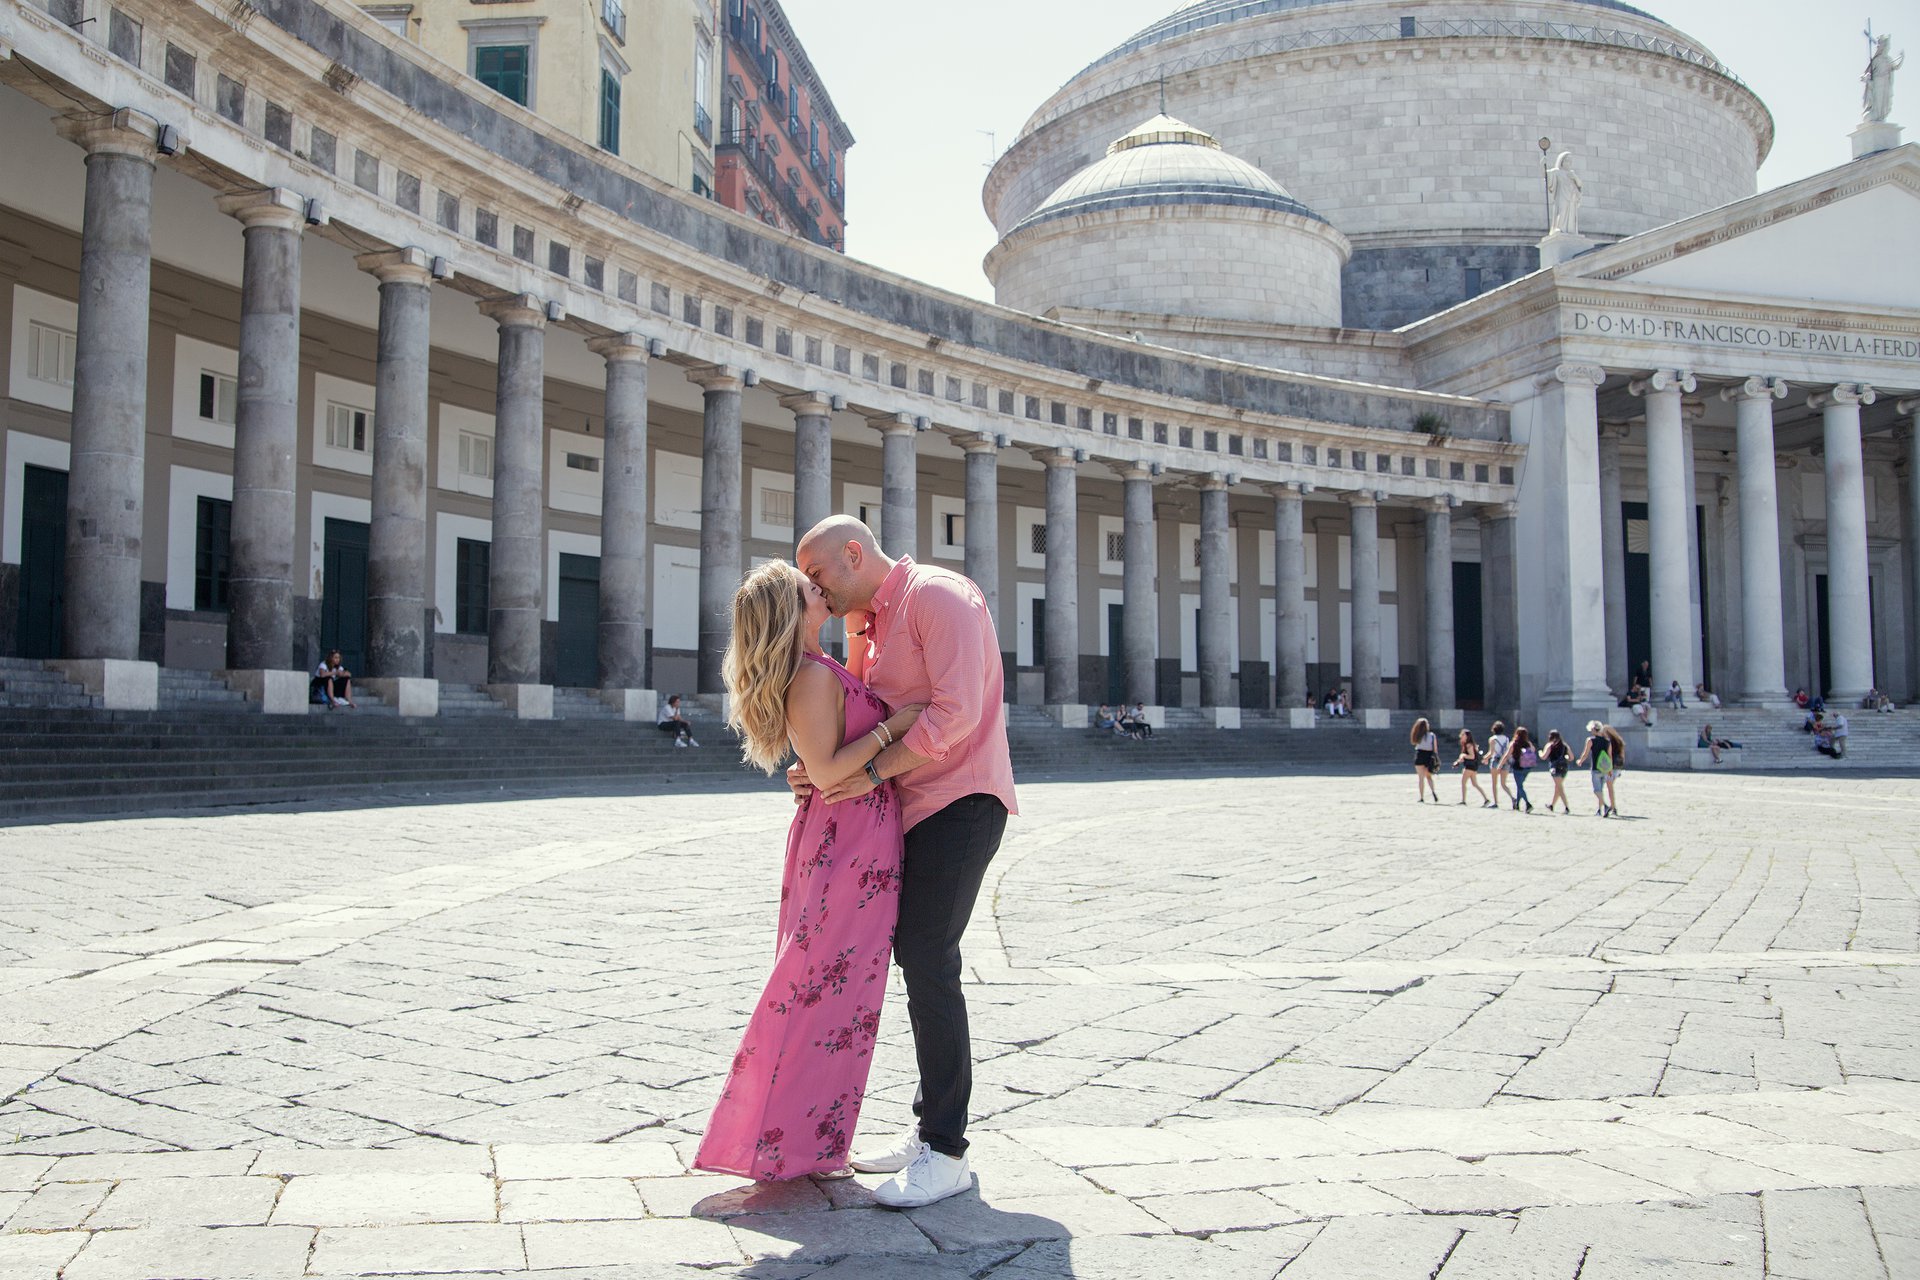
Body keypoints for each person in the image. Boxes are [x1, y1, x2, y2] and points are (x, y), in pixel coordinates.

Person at [790, 516, 1017, 1210]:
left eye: (821, 578)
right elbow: (867, 717)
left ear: (854, 554)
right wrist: (820, 765)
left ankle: (947, 1151)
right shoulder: (870, 628)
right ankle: (929, 1134)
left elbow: (953, 716)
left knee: (928, 955)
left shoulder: (940, 597)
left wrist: (868, 773)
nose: (818, 597)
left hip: (961, 800)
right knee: (916, 959)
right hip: (907, 808)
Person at [695, 562, 921, 1183]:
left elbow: (816, 766)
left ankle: (803, 1138)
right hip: (849, 839)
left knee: (835, 989)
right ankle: (790, 1140)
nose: (817, 588)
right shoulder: (814, 676)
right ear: (790, 610)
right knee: (826, 987)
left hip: (848, 833)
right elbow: (824, 772)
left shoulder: (819, 669)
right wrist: (891, 727)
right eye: (805, 588)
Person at [1575, 720, 1613, 817]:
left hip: (1596, 767)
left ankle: (1605, 806)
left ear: (1592, 729)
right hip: (1605, 768)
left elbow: (1585, 753)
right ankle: (1600, 810)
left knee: (1597, 790)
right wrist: (1610, 769)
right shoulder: (1607, 741)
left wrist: (1580, 761)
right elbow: (1610, 756)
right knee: (1600, 790)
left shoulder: (1590, 740)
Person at [1500, 725, 1537, 813]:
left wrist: (1500, 764)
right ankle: (1517, 804)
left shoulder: (1514, 743)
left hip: (1518, 767)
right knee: (1519, 786)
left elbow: (1507, 755)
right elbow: (1533, 751)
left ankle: (1528, 804)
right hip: (1527, 767)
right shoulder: (1528, 743)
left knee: (1520, 786)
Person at [1454, 729, 1490, 807]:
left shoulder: (1469, 745)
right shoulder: (1469, 744)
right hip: (1473, 767)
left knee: (1464, 783)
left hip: (1469, 767)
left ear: (1467, 736)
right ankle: (1486, 799)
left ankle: (1463, 801)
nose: (1461, 736)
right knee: (1475, 784)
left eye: (1463, 735)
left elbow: (1472, 756)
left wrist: (1463, 756)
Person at [1409, 717, 1441, 803]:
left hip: (1420, 755)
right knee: (1429, 777)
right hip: (1429, 756)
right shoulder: (1432, 735)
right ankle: (1433, 792)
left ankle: (1421, 797)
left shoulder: (1417, 735)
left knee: (1421, 778)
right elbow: (1435, 749)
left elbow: (1414, 743)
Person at [1542, 729, 1572, 813]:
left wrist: (1540, 753)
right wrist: (1566, 758)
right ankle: (1552, 805)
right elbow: (1571, 757)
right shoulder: (1565, 745)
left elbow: (1544, 757)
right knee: (1558, 787)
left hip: (1555, 768)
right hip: (1564, 767)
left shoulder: (1550, 745)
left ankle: (1566, 807)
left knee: (1559, 787)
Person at [1485, 721, 1513, 809]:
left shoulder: (1492, 739)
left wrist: (1485, 758)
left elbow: (1491, 752)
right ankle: (1513, 798)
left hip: (1496, 760)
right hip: (1505, 760)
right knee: (1503, 783)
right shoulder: (1506, 738)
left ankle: (1496, 802)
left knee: (1494, 783)